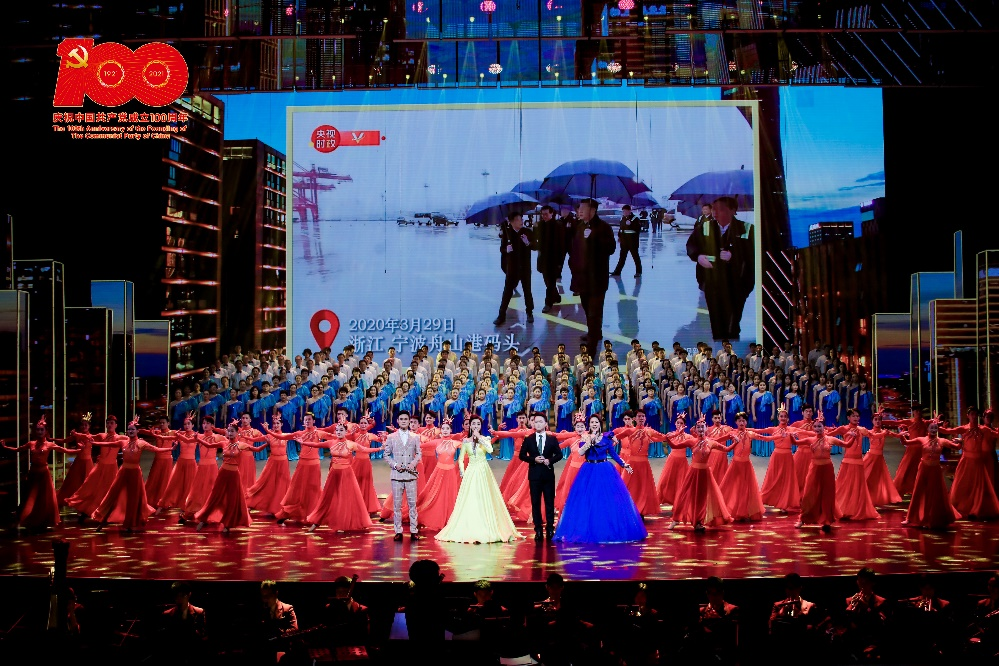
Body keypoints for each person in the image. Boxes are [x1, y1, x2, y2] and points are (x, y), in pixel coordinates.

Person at [554, 413, 647, 543]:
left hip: (604, 469)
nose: (594, 424)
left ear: (600, 424)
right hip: (589, 469)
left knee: (605, 499)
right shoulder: (585, 437)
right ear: (589, 425)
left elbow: (613, 454)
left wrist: (624, 464)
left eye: (596, 422)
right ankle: (588, 528)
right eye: (592, 422)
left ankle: (606, 528)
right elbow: (580, 452)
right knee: (588, 500)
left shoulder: (606, 437)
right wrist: (589, 443)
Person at [436, 414, 519, 543]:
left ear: (481, 426)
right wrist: (462, 472)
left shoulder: (485, 438)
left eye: (478, 424)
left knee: (484, 496)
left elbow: (490, 450)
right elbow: (461, 459)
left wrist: (479, 438)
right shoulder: (465, 441)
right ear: (470, 426)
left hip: (484, 471)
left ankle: (487, 526)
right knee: (471, 498)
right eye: (473, 424)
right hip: (471, 471)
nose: (475, 426)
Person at [685, 195, 754, 340]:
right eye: (714, 209)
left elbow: (754, 255)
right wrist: (698, 256)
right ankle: (719, 344)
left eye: (721, 209)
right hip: (712, 282)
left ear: (733, 211)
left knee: (732, 320)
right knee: (716, 319)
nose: (716, 213)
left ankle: (732, 343)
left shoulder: (747, 229)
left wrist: (733, 256)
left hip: (737, 284)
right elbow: (691, 245)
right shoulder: (705, 227)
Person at [93, 418, 173, 532]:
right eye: (129, 429)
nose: (130, 431)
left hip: (135, 473)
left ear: (137, 431)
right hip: (123, 472)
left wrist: (171, 448)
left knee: (134, 499)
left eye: (133, 429)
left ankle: (131, 523)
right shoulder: (123, 442)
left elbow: (156, 449)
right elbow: (109, 443)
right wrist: (94, 443)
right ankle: (102, 520)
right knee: (113, 495)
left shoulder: (141, 443)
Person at [302, 422, 380, 533]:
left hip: (346, 474)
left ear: (345, 432)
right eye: (337, 430)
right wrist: (303, 442)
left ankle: (343, 523)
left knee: (345, 499)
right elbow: (316, 445)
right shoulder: (331, 442)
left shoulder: (350, 444)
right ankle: (316, 522)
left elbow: (365, 450)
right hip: (334, 473)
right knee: (327, 498)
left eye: (341, 430)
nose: (339, 432)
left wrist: (379, 449)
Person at [2, 416, 77, 531]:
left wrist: (79, 450)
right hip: (33, 473)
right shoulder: (31, 443)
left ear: (46, 431)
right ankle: (30, 519)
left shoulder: (49, 444)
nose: (39, 432)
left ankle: (43, 520)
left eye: (42, 430)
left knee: (44, 499)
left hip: (43, 474)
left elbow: (64, 450)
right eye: (37, 429)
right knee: (31, 498)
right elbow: (18, 449)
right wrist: (5, 447)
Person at [568, 198, 616, 350]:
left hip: (597, 279)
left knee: (594, 312)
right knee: (587, 308)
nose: (580, 211)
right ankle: (595, 333)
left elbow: (611, 248)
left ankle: (592, 348)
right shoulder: (580, 226)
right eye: (579, 208)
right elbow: (575, 250)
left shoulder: (604, 227)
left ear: (593, 210)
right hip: (582, 279)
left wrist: (594, 237)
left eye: (583, 208)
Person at [898, 417, 962, 529]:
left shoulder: (942, 441)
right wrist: (901, 435)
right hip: (923, 468)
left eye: (935, 428)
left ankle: (934, 517)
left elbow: (957, 447)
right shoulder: (922, 439)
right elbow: (906, 442)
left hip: (935, 470)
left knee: (936, 494)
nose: (933, 430)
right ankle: (910, 518)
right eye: (931, 428)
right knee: (918, 492)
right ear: (927, 429)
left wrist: (960, 442)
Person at [194, 422, 253, 533]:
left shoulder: (241, 445)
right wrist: (198, 439)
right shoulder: (224, 443)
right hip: (223, 473)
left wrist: (266, 444)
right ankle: (203, 518)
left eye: (232, 431)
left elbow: (256, 449)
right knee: (215, 496)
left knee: (232, 499)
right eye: (229, 431)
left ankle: (228, 523)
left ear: (237, 432)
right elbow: (209, 445)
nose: (230, 433)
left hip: (234, 474)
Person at [519, 411, 564, 542]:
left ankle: (550, 528)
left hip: (548, 474)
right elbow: (522, 455)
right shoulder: (529, 439)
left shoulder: (552, 439)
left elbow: (559, 455)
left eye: (540, 422)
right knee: (536, 503)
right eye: (536, 421)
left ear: (545, 424)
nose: (538, 424)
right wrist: (533, 459)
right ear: (532, 423)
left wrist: (550, 460)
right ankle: (538, 529)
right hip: (534, 475)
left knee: (549, 502)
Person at [382, 410, 423, 541]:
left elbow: (419, 453)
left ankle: (414, 530)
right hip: (397, 475)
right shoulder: (391, 437)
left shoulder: (415, 437)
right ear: (398, 421)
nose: (404, 421)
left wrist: (413, 464)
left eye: (406, 419)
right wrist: (395, 465)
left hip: (410, 475)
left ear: (409, 421)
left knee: (412, 504)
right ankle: (398, 531)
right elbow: (386, 455)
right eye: (402, 419)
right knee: (397, 505)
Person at [494, 212, 536, 325]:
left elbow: (535, 246)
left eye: (521, 219)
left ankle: (529, 312)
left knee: (527, 290)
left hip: (525, 267)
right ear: (511, 222)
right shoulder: (507, 233)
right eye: (517, 219)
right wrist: (506, 250)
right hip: (512, 268)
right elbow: (502, 249)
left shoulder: (527, 232)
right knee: (507, 291)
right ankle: (501, 314)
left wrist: (528, 243)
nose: (521, 221)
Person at [155, 581, 207, 666]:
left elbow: (203, 636)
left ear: (189, 595)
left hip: (194, 655)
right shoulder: (167, 614)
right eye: (176, 595)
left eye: (181, 595)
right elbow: (165, 639)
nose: (178, 598)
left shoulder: (199, 612)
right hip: (174, 656)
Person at [535, 204, 564, 313]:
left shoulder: (557, 226)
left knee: (550, 282)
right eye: (542, 214)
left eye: (546, 214)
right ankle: (556, 296)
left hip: (553, 259)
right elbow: (537, 241)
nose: (544, 216)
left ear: (552, 213)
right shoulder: (540, 225)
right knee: (547, 281)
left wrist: (560, 262)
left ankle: (548, 303)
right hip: (543, 258)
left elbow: (561, 245)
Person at [610, 204, 642, 277]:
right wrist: (619, 237)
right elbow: (621, 229)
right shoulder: (622, 218)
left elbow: (638, 230)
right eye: (623, 211)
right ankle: (617, 271)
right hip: (624, 241)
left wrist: (630, 224)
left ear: (629, 211)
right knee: (622, 257)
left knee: (635, 257)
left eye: (625, 211)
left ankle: (638, 272)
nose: (624, 212)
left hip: (632, 241)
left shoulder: (635, 219)